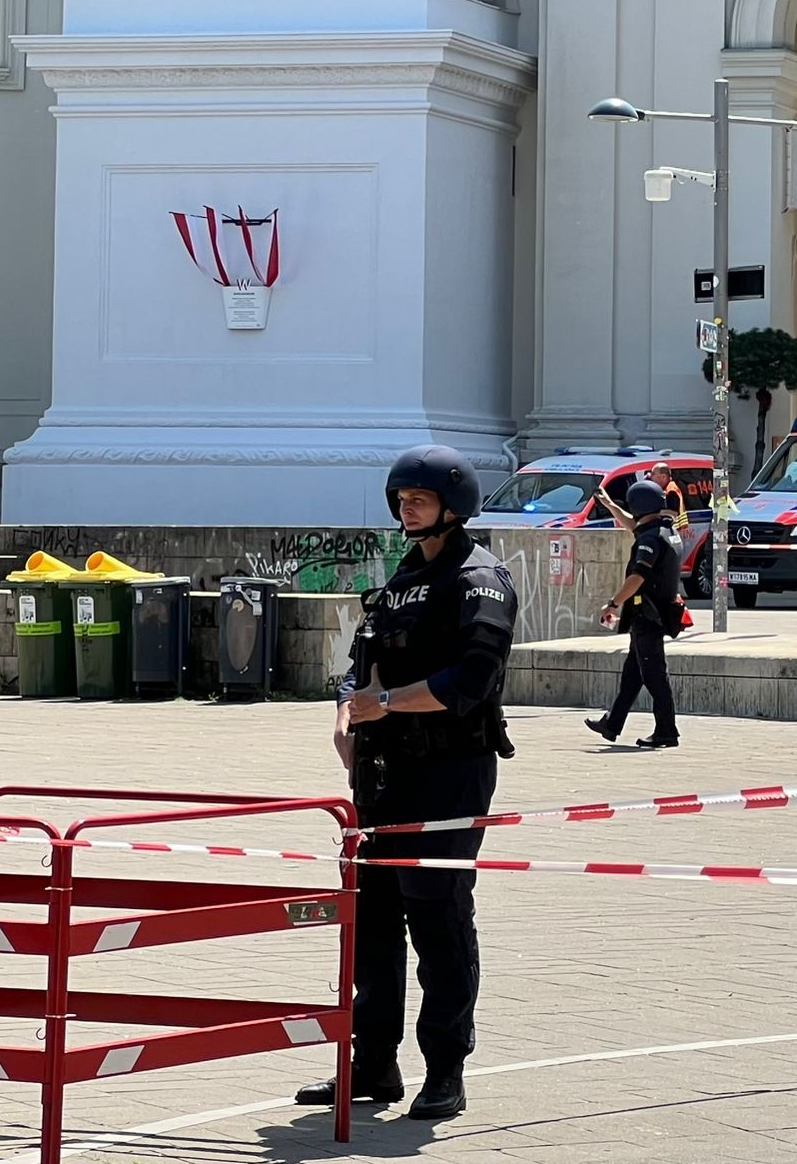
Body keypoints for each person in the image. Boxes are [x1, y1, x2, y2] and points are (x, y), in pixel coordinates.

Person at [295, 446, 517, 1124]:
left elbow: (472, 683)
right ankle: (373, 1066)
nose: (406, 506)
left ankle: (444, 1069)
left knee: (438, 918)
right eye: (401, 497)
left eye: (420, 497)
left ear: (455, 505)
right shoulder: (399, 582)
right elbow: (360, 665)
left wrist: (386, 705)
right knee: (373, 925)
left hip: (448, 773)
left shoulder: (479, 580)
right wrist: (345, 713)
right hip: (382, 777)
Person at [585, 480, 683, 749]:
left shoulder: (650, 539)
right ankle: (612, 723)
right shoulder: (665, 531)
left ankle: (667, 731)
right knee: (632, 674)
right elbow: (634, 526)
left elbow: (638, 576)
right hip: (656, 614)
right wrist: (608, 504)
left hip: (648, 617)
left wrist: (613, 603)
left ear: (638, 506)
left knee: (654, 675)